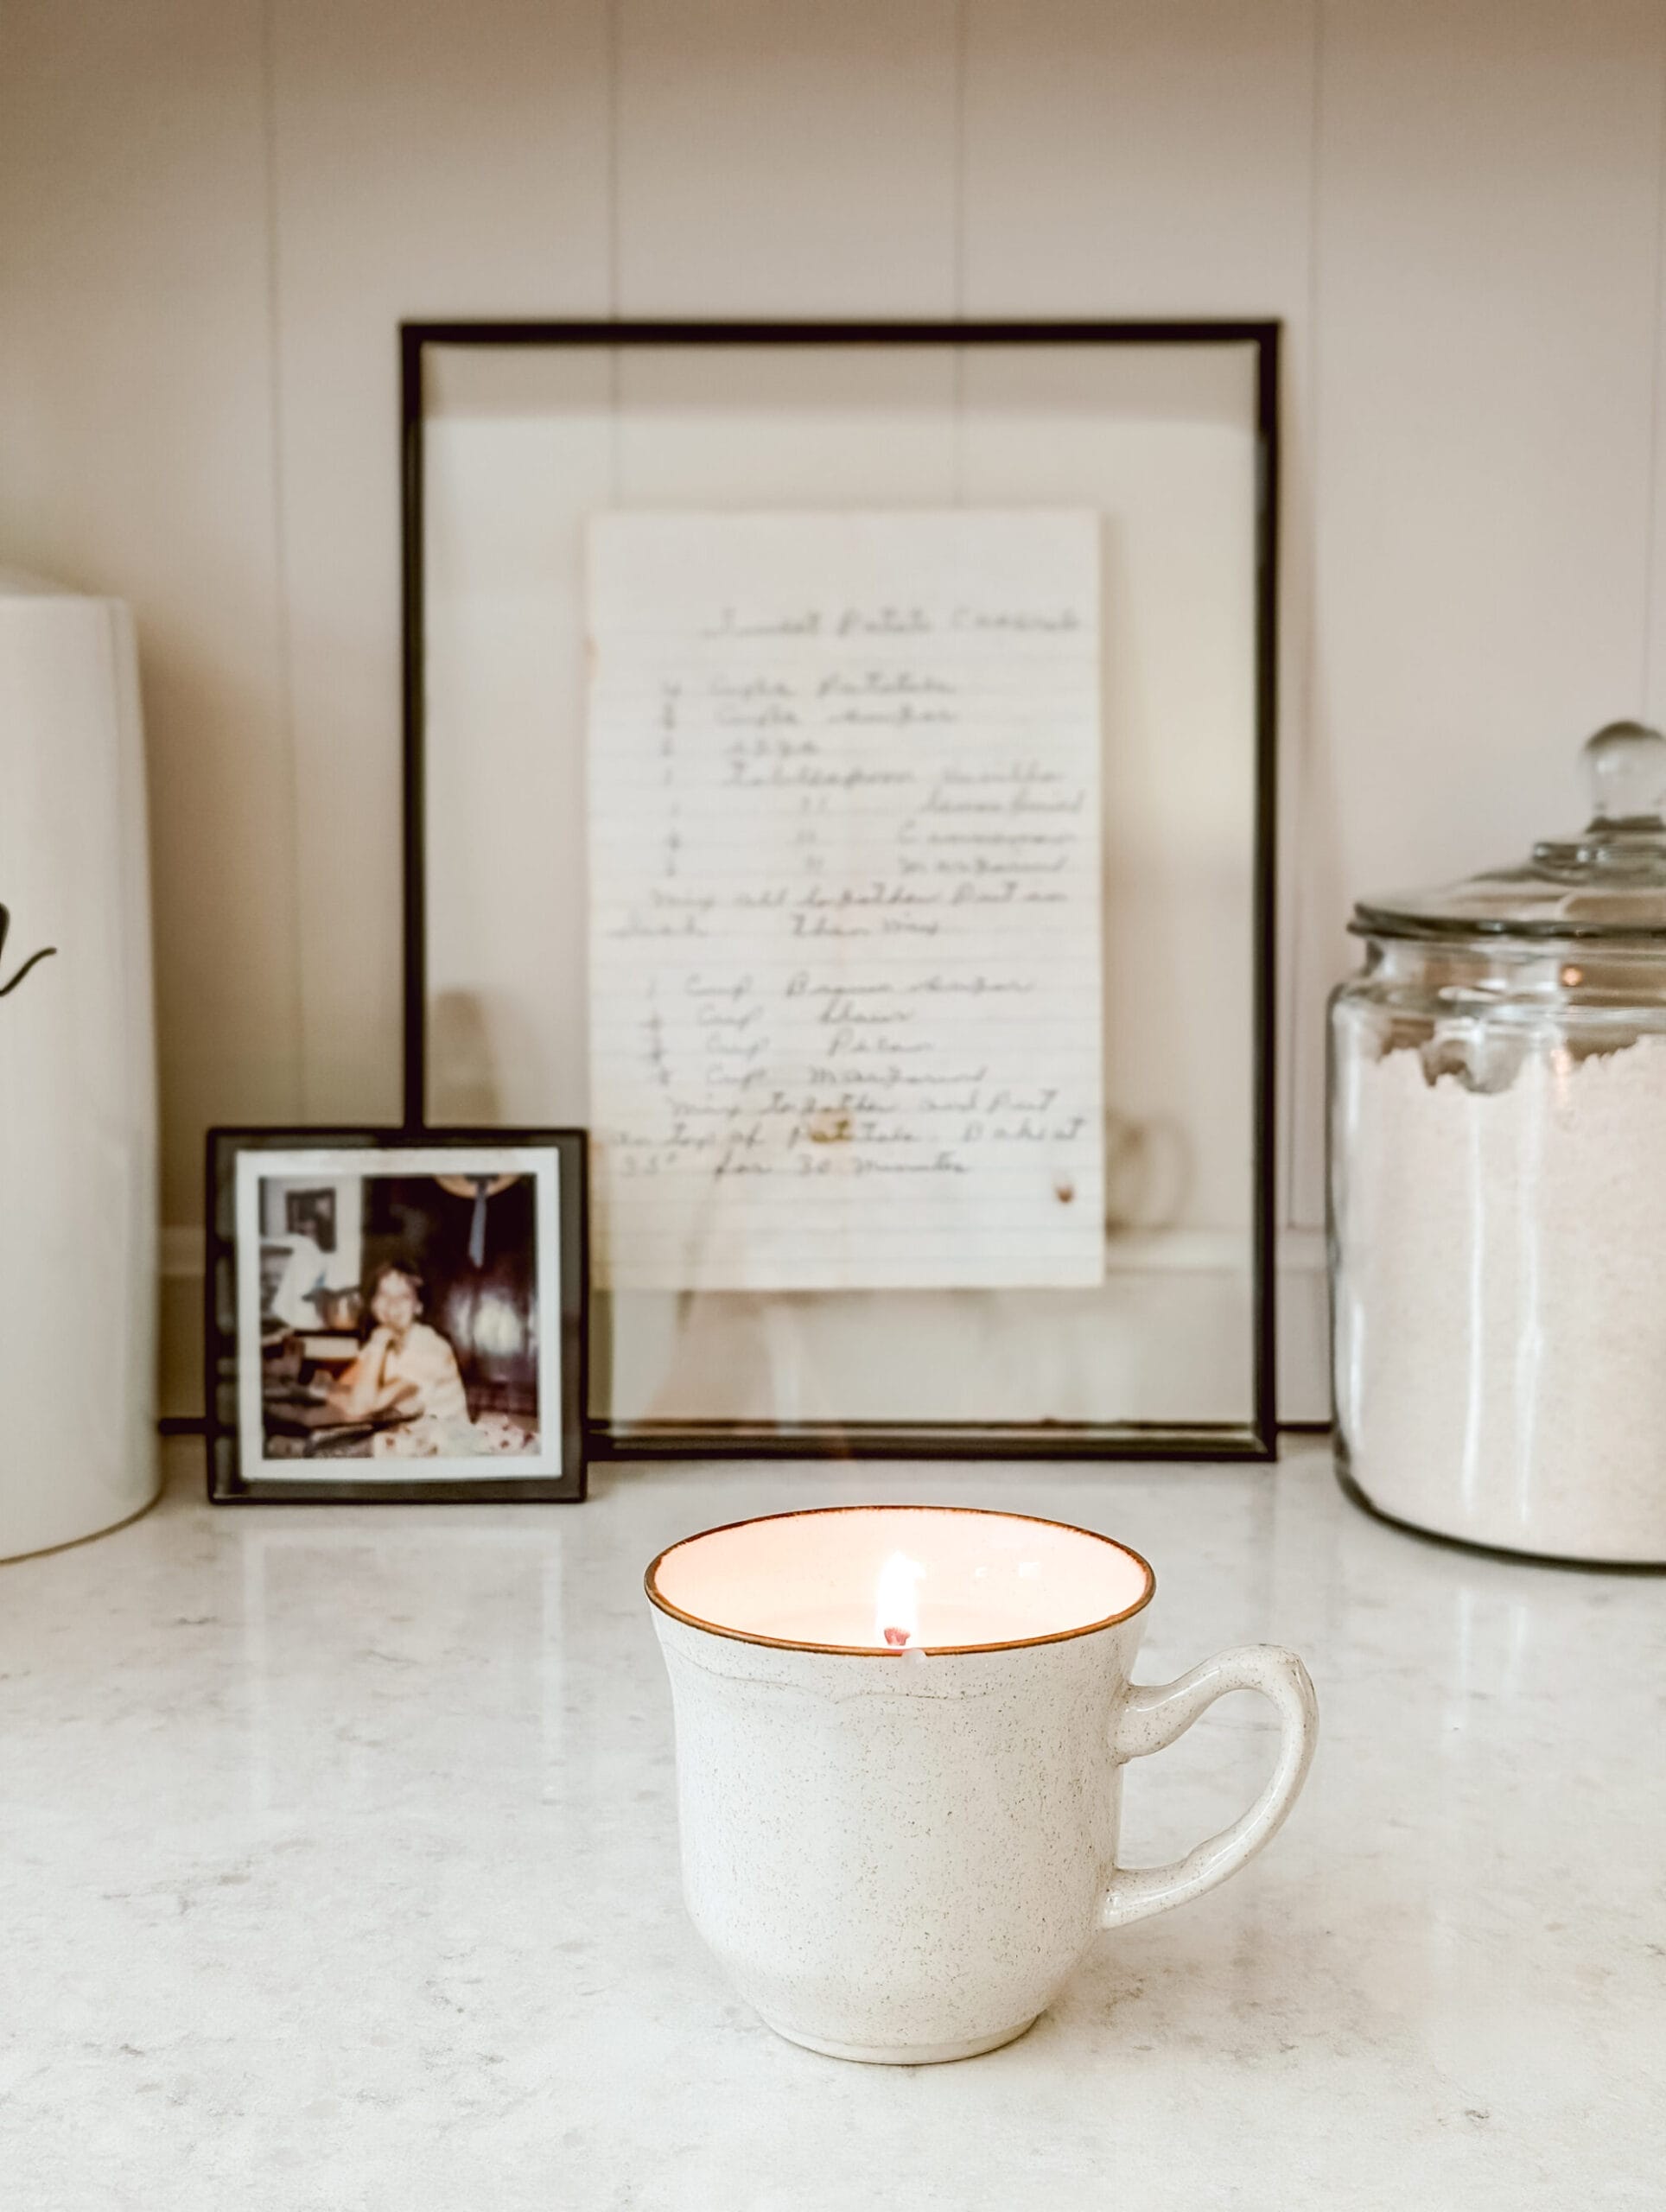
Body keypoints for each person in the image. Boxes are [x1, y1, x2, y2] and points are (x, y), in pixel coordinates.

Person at [325, 1261, 469, 1440]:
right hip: (408, 1441)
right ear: (373, 1304)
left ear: (419, 1306)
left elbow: (359, 1409)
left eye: (404, 1296)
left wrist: (378, 1345)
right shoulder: (383, 1340)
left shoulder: (430, 1349)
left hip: (448, 1451)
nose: (392, 1304)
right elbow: (339, 1389)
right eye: (384, 1294)